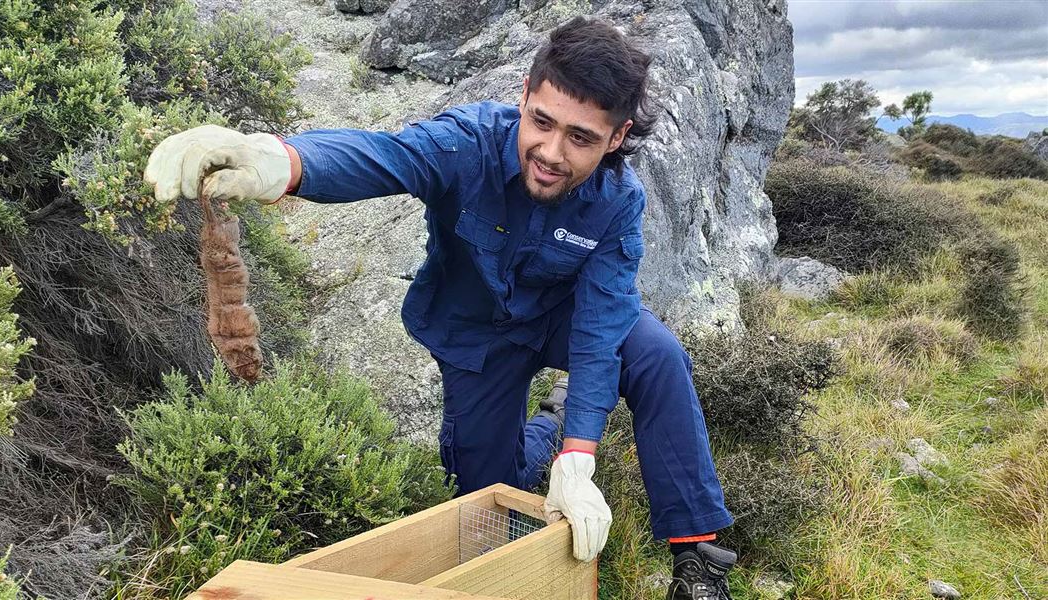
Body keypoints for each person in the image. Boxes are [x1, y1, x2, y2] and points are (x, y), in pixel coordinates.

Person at [145, 16, 737, 600]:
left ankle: (699, 565)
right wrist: (281, 162)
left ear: (615, 137)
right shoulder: (467, 143)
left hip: (562, 321)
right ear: (525, 96)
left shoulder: (617, 203)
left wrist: (585, 456)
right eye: (542, 122)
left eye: (580, 138)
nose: (552, 152)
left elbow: (601, 330)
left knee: (654, 353)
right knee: (486, 509)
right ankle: (548, 432)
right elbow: (384, 156)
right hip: (476, 336)